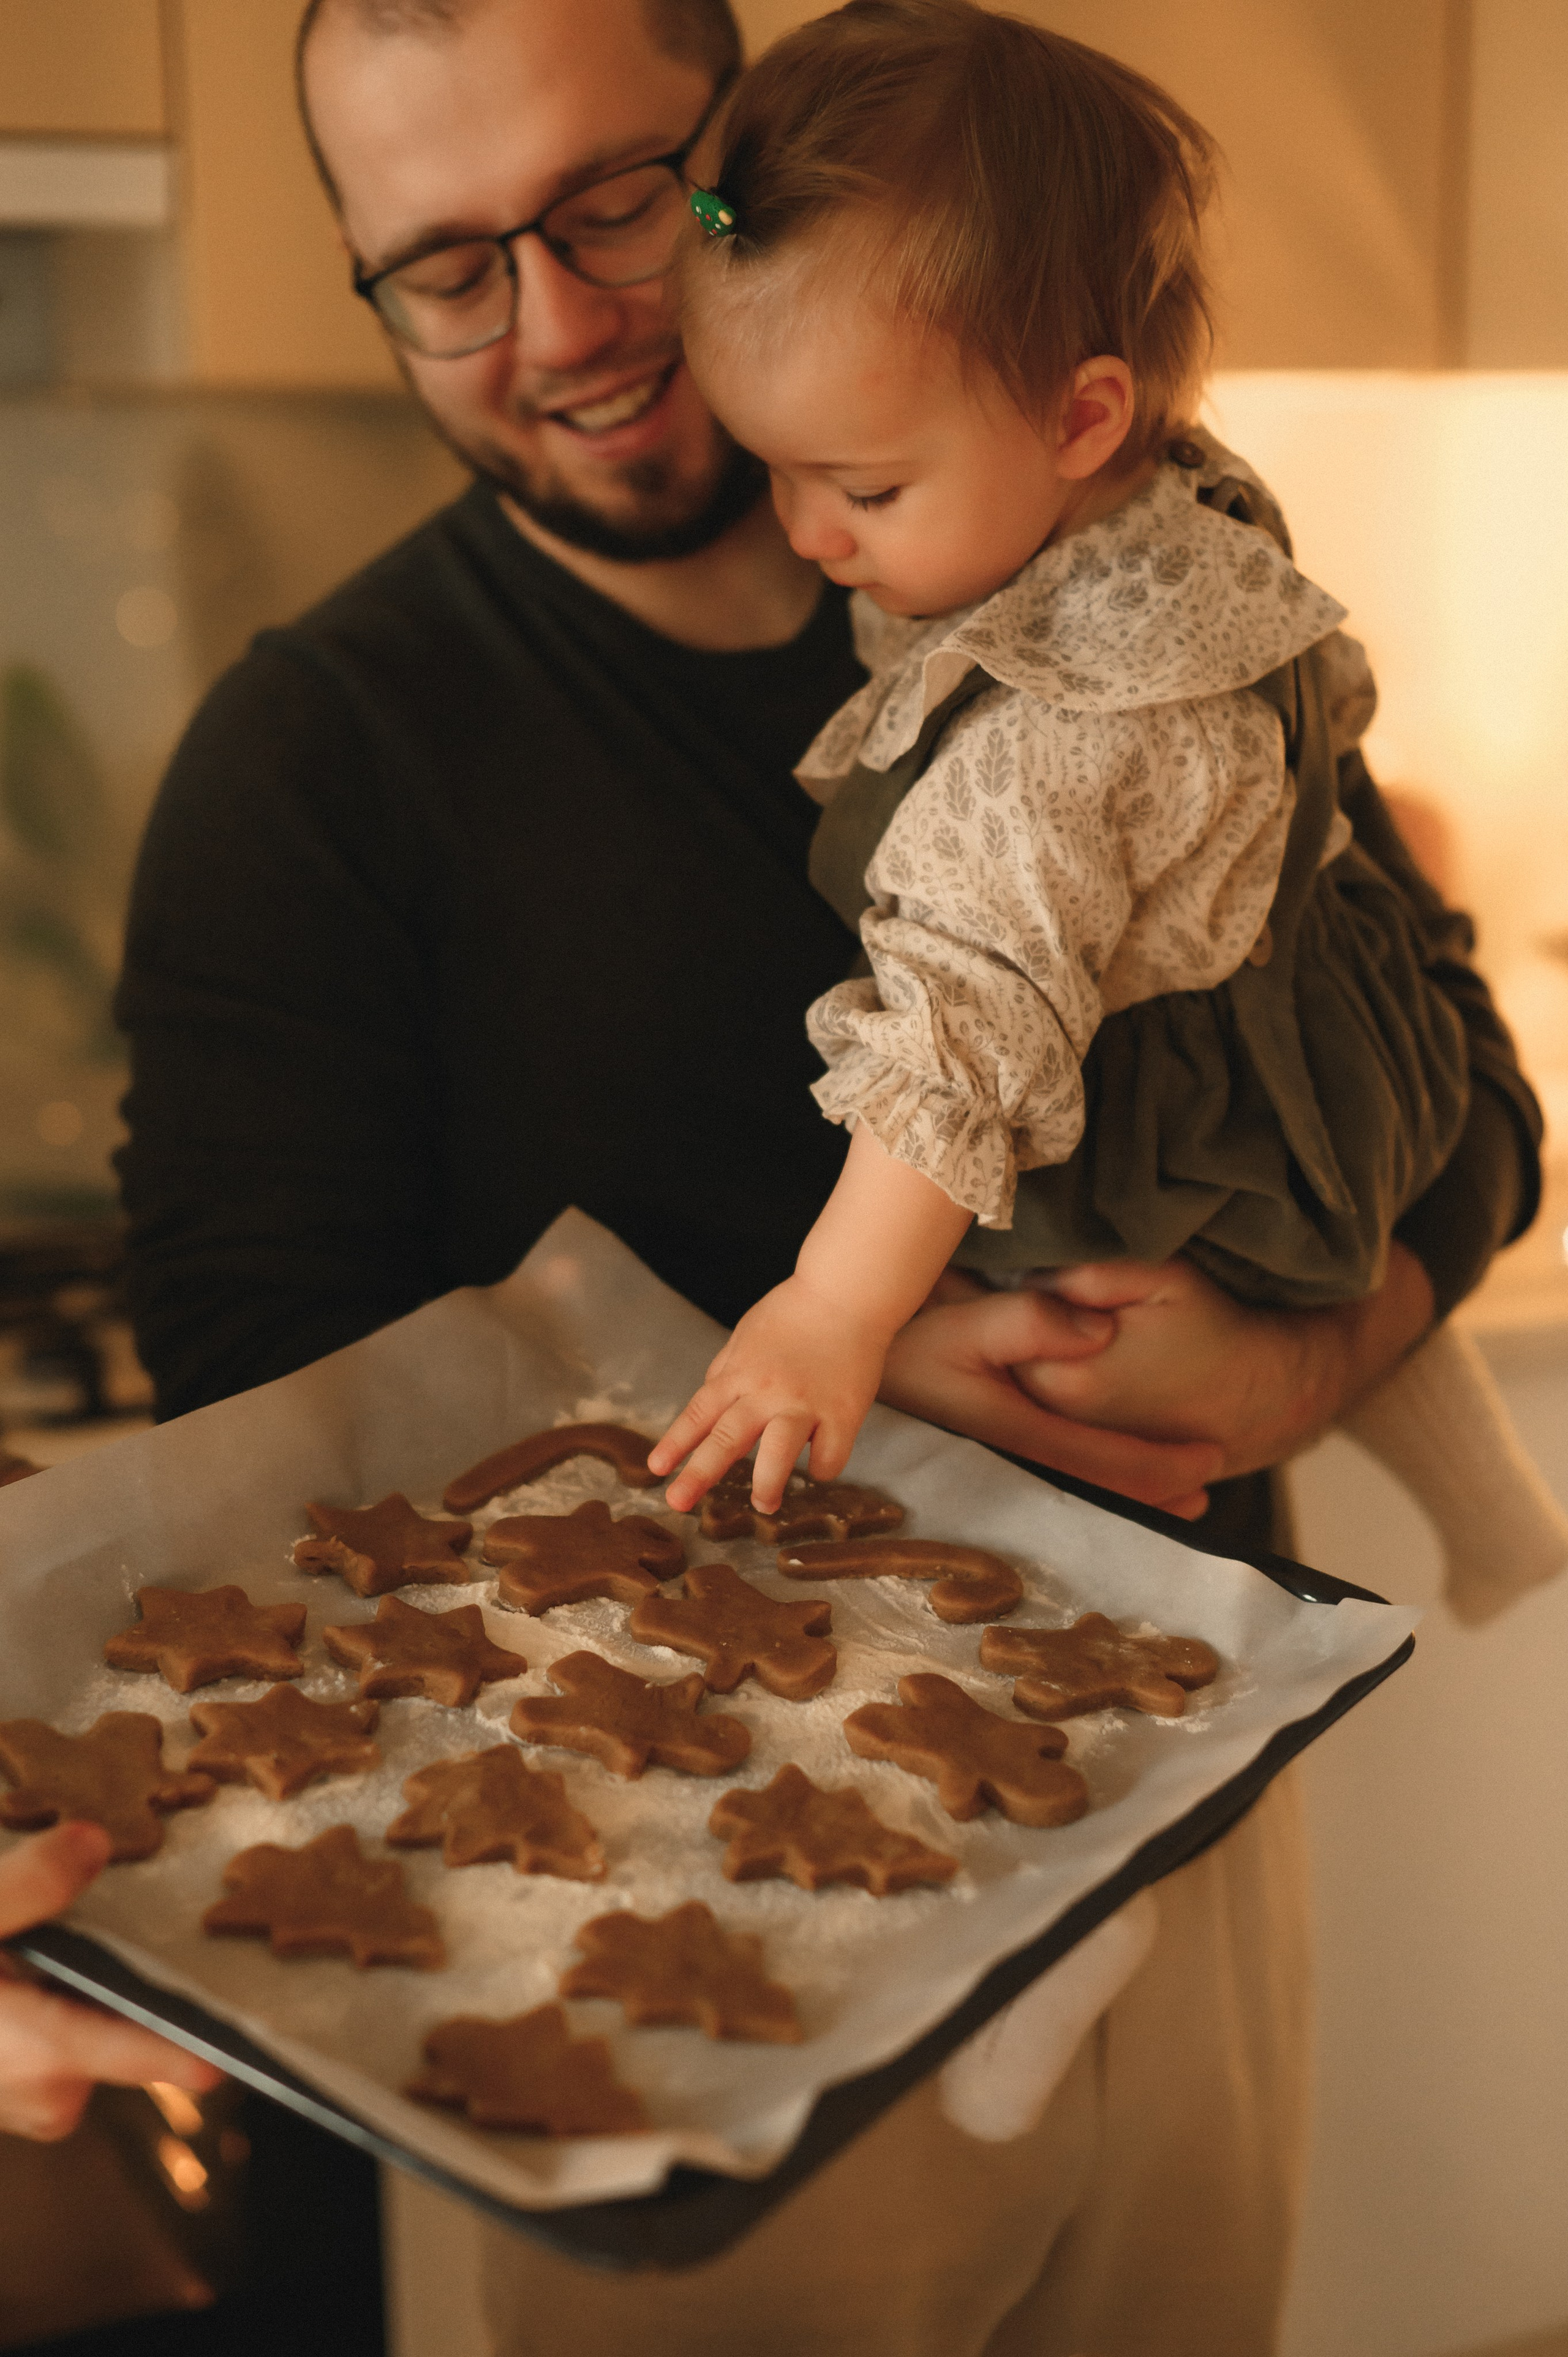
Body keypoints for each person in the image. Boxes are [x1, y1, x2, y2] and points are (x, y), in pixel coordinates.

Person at [4, 2, 1539, 2353]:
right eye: (444, 266)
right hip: (697, 1942)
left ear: (758, 154)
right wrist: (861, 1366)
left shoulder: (1108, 582)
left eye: (620, 203)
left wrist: (1311, 1346)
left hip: (1175, 1770)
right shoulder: (319, 759)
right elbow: (269, 1405)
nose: (569, 327)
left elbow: (1447, 1068)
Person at [648, 1, 1553, 1618]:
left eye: (863, 489)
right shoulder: (1177, 509)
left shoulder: (1056, 746)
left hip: (1200, 1138)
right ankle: (1497, 1514)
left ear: (1084, 415)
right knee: (1312, 1263)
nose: (807, 533)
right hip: (1340, 1044)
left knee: (1069, 1299)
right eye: (770, 468)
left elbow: (960, 1034)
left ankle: (1475, 1513)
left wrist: (830, 1315)